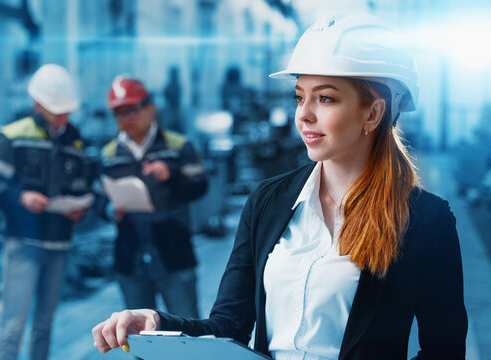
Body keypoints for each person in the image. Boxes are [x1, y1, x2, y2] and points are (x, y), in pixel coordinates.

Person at [92, 14, 467, 359]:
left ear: (372, 113)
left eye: (325, 98)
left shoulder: (425, 221)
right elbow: (228, 327)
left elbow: (444, 350)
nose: (304, 114)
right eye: (300, 97)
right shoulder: (267, 202)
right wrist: (158, 324)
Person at [0, 63, 89, 360]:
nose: (62, 116)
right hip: (23, 244)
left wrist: (79, 208)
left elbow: (80, 187)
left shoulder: (74, 141)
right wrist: (21, 196)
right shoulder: (13, 135)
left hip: (58, 242)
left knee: (44, 324)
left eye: (66, 110)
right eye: (57, 110)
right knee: (13, 326)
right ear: (38, 103)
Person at [97, 76, 208, 318]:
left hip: (174, 255)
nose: (126, 120)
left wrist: (172, 175)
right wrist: (109, 210)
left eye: (132, 111)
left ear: (149, 108)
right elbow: (99, 199)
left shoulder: (178, 147)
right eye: (119, 114)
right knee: (141, 340)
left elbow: (200, 187)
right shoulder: (109, 154)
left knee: (187, 334)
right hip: (130, 259)